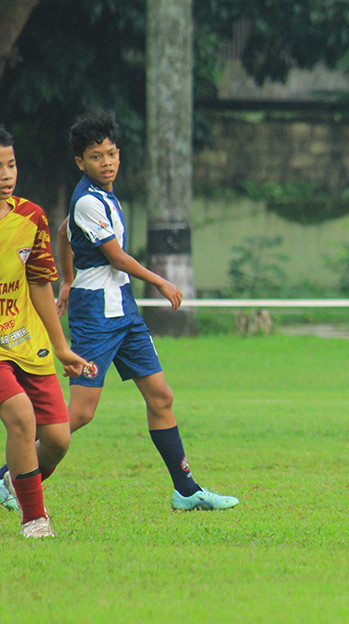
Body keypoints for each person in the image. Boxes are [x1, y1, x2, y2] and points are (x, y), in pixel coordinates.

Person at [45, 108, 238, 511]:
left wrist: (66, 277)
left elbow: (61, 231)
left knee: (161, 396)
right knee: (80, 413)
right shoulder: (88, 200)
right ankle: (11, 477)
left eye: (112, 153)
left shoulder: (103, 196)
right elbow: (115, 256)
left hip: (124, 312)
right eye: (96, 157)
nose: (107, 162)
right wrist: (161, 280)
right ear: (81, 162)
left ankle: (186, 490)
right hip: (96, 313)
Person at [0, 125, 91, 537]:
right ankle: (34, 519)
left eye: (11, 164)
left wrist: (61, 346)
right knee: (20, 417)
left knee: (56, 439)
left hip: (25, 340)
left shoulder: (31, 216)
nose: (6, 174)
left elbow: (40, 283)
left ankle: (11, 480)